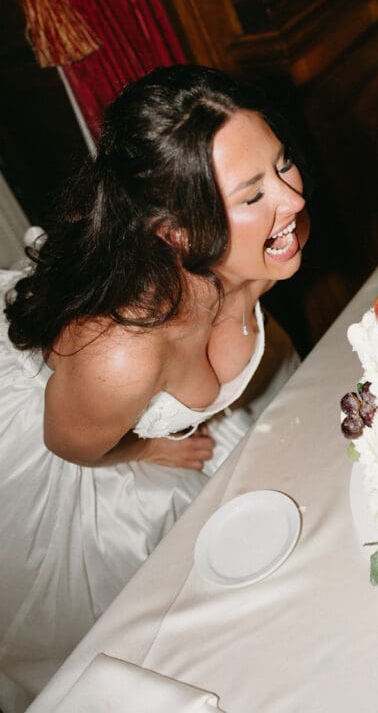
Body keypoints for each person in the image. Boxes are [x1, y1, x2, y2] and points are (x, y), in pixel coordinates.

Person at [0, 64, 309, 713]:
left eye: (282, 163)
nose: (292, 199)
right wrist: (148, 448)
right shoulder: (120, 354)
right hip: (84, 446)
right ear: (174, 233)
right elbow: (70, 445)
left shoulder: (269, 244)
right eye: (253, 194)